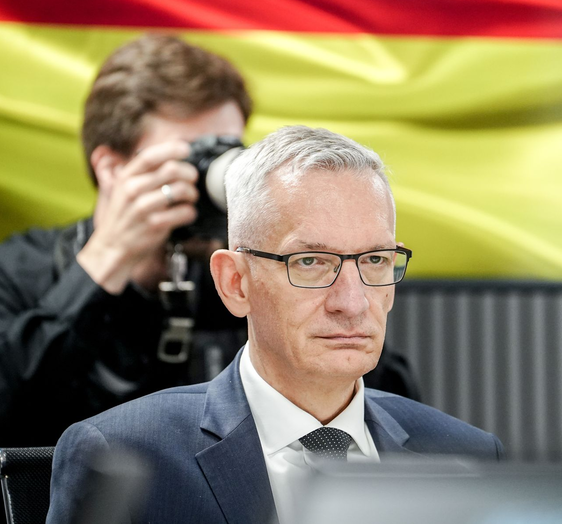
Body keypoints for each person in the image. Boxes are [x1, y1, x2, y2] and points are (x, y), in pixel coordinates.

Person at [46, 126, 503, 524]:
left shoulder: (467, 457)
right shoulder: (124, 454)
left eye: (375, 260)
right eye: (310, 262)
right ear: (235, 283)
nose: (352, 302)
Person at [0, 36, 418, 449]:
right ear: (112, 167)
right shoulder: (22, 270)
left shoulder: (250, 270)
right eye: (192, 158)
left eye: (226, 152)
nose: (211, 178)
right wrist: (108, 257)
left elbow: (386, 404)